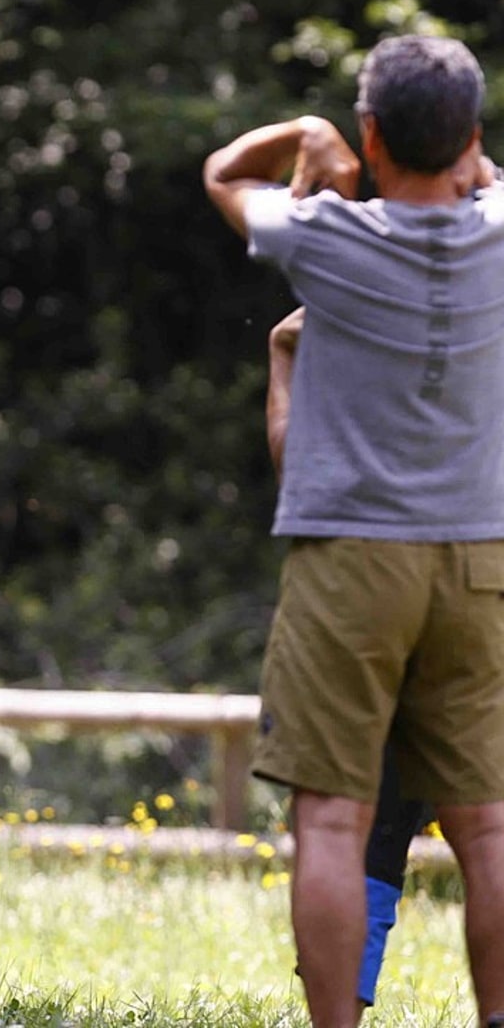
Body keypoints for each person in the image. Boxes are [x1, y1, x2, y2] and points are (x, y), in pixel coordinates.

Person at [203, 33, 504, 1028]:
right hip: (476, 556)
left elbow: (222, 173)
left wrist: (306, 134)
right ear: (466, 138)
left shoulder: (318, 239)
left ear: (371, 136)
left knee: (331, 818)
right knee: (487, 826)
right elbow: (484, 177)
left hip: (348, 558)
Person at [267, 306, 433, 1018]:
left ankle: (340, 1015)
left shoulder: (359, 312)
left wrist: (282, 355)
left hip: (368, 594)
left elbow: (294, 461)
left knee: (356, 824)